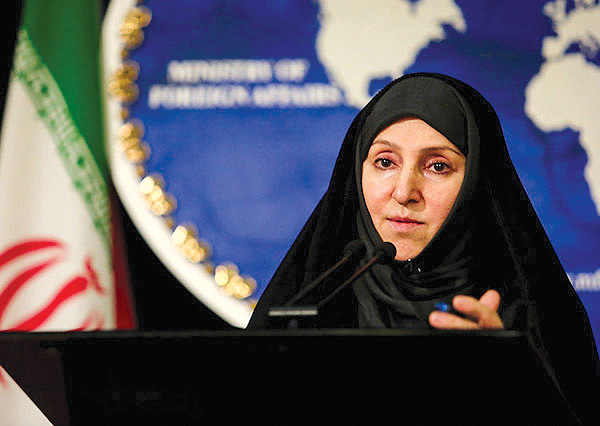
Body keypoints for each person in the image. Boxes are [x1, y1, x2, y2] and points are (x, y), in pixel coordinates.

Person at [248, 73, 598, 421]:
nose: (404, 192)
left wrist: (507, 371)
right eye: (385, 162)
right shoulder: (316, 303)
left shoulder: (535, 316)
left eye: (437, 166)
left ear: (477, 181)